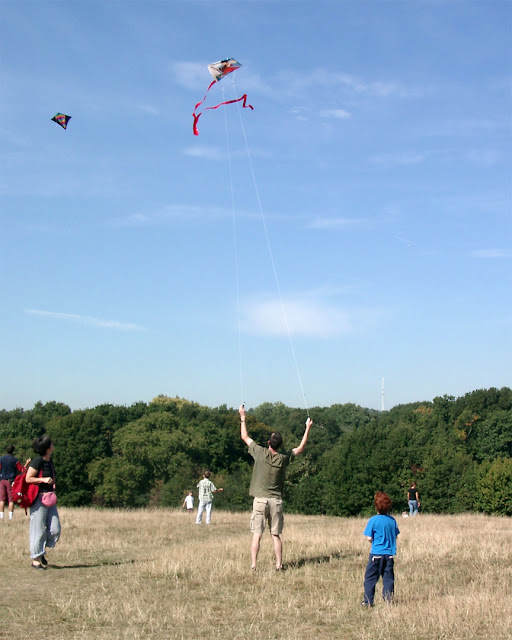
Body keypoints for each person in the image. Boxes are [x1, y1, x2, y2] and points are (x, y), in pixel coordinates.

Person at [239, 404, 313, 570]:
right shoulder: (283, 458)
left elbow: (244, 436)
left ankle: (253, 565)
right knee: (275, 535)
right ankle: (279, 565)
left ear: (268, 443)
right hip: (276, 501)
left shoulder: (259, 452)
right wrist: (307, 428)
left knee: (257, 534)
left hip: (260, 500)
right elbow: (300, 449)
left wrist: (242, 417)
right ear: (281, 445)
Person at [25, 436, 61, 569]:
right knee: (38, 530)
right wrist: (43, 480)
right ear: (46, 447)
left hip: (50, 498)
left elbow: (53, 475)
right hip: (38, 500)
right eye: (51, 443)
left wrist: (53, 484)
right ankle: (35, 559)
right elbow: (28, 478)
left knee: (55, 529)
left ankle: (40, 550)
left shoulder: (50, 460)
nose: (53, 444)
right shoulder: (37, 461)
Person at [362, 491, 400, 607]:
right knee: (388, 579)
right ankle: (388, 600)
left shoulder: (373, 520)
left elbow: (369, 538)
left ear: (376, 506)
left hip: (376, 554)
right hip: (389, 555)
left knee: (370, 578)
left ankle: (368, 601)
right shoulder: (392, 520)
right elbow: (396, 535)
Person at [0, 445, 30, 521]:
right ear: (13, 451)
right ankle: (10, 518)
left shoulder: (1, 459)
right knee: (11, 499)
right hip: (10, 481)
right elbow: (22, 470)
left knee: (2, 499)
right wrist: (26, 463)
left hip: (2, 480)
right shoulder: (15, 460)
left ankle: (1, 517)